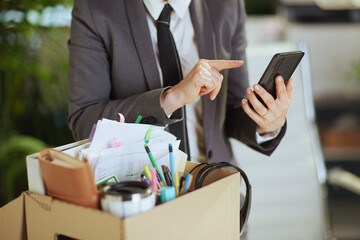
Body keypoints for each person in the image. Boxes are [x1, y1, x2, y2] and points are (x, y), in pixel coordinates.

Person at [68, 0, 291, 167]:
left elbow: (231, 108)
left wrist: (267, 123)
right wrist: (170, 99)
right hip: (140, 201)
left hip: (218, 193)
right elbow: (84, 120)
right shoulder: (95, 9)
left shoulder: (227, 5)